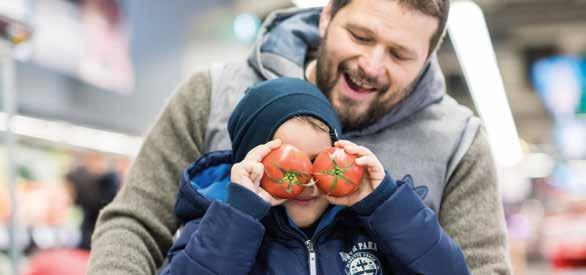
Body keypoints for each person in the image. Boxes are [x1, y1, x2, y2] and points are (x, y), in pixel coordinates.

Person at [88, 1, 512, 274]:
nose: (372, 64)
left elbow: (480, 269)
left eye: (400, 54)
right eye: (360, 36)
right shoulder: (214, 94)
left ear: (427, 60)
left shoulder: (458, 139)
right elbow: (137, 222)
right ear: (326, 16)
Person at [160, 77, 469, 274]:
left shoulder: (370, 227)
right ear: (248, 163)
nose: (306, 181)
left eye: (316, 161)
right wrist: (239, 216)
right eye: (287, 165)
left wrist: (385, 203)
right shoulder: (213, 227)